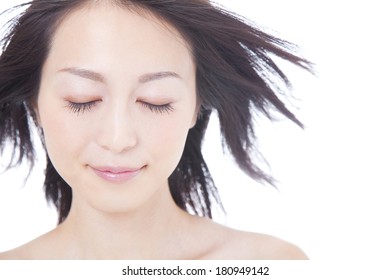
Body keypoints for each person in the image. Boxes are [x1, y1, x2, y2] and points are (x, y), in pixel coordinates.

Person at [0, 0, 312, 259]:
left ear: (195, 106)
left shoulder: (270, 265)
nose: (118, 139)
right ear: (35, 104)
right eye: (82, 99)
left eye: (155, 102)